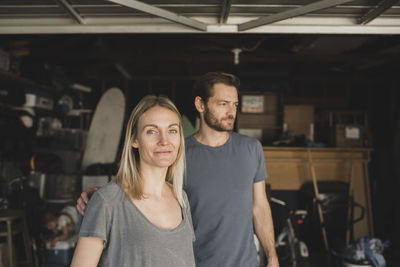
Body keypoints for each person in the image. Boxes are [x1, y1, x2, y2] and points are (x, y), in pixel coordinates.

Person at [78, 72, 279, 267]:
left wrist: (272, 255)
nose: (231, 112)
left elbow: (259, 206)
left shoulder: (251, 149)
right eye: (223, 104)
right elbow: (144, 186)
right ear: (200, 104)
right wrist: (104, 197)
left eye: (234, 104)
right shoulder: (178, 154)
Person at [71, 95, 196, 267]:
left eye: (172, 130)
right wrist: (102, 198)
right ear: (134, 140)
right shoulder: (108, 201)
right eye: (152, 131)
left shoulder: (181, 199)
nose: (164, 141)